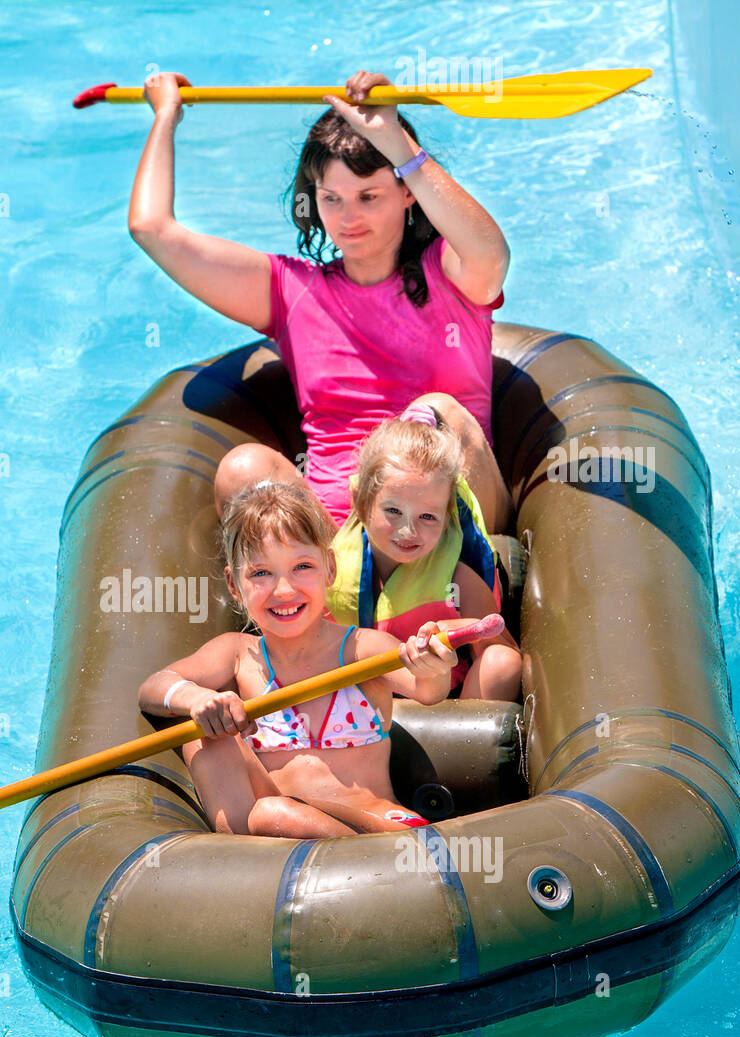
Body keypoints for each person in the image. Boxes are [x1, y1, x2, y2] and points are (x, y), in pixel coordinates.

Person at [128, 68, 514, 536]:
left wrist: (395, 141)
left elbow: (491, 251)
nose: (349, 218)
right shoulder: (292, 292)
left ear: (407, 192)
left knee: (441, 411)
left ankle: (440, 585)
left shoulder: (451, 276)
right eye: (331, 199)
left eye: (369, 196)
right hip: (338, 537)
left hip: (446, 524)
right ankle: (328, 596)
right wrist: (167, 114)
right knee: (243, 468)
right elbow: (152, 229)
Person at [136, 481, 460, 838]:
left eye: (302, 566)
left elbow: (427, 689)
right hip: (281, 831)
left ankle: (267, 854)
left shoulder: (359, 649)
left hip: (378, 833)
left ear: (330, 569)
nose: (284, 590)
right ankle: (242, 865)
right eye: (261, 573)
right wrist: (198, 700)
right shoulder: (238, 654)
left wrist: (431, 665)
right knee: (204, 738)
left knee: (276, 815)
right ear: (234, 586)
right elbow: (154, 687)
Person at [326, 394, 522, 701]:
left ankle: (466, 747)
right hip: (357, 706)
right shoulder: (326, 572)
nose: (408, 530)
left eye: (428, 516)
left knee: (503, 664)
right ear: (362, 506)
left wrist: (456, 629)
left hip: (443, 711)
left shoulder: (458, 579)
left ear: (447, 520)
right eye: (393, 512)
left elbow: (504, 648)